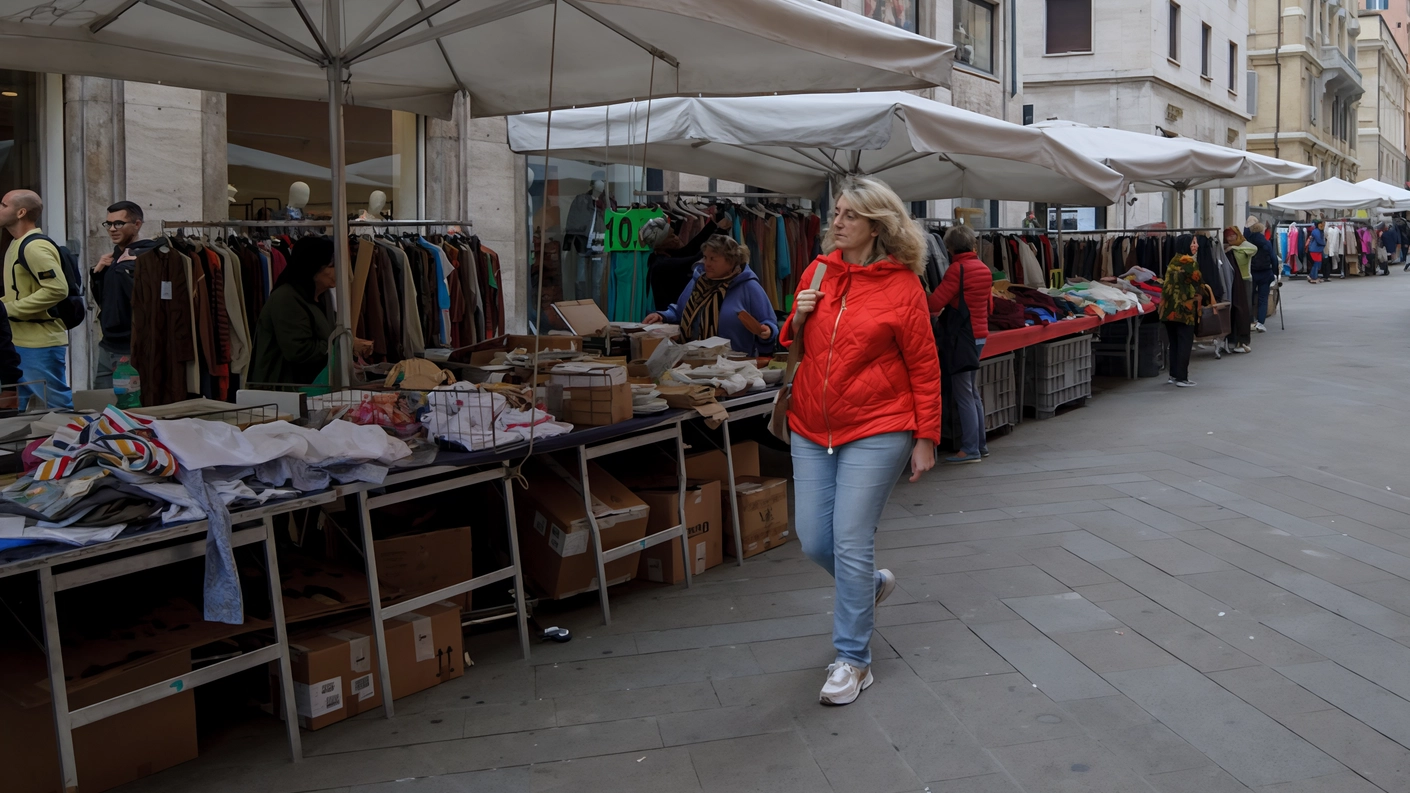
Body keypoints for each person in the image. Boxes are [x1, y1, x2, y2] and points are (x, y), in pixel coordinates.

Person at [782, 176, 940, 706]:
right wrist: (797, 316)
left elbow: (924, 364)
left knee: (850, 539)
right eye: (837, 212)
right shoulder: (818, 271)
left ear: (877, 225)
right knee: (814, 540)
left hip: (880, 424)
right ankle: (868, 585)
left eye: (849, 215)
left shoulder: (903, 286)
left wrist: (926, 436)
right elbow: (795, 342)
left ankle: (852, 660)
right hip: (810, 423)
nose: (837, 221)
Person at [249, 236, 373, 386]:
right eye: (332, 266)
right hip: (285, 389)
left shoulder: (322, 295)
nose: (338, 271)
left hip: (312, 385)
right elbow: (299, 350)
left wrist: (349, 342)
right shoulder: (287, 298)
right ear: (313, 267)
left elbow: (327, 334)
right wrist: (345, 345)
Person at [642, 235, 776, 356]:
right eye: (705, 257)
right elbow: (680, 311)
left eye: (713, 259)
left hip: (734, 365)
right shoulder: (698, 281)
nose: (707, 263)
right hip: (693, 361)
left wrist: (767, 331)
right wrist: (662, 315)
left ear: (730, 261)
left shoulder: (748, 286)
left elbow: (769, 322)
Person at [0, 189, 73, 410]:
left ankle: (70, 443)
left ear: (21, 212)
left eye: (3, 205)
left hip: (39, 343)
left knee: (57, 408)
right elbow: (19, 291)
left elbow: (57, 289)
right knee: (24, 411)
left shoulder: (34, 246)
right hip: (22, 341)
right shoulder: (17, 243)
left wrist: (7, 309)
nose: (0, 209)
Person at [927, 224, 992, 464]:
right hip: (980, 334)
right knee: (972, 392)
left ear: (950, 247)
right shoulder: (983, 268)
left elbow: (935, 303)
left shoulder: (958, 270)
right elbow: (988, 305)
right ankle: (980, 445)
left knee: (963, 393)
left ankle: (970, 449)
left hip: (962, 336)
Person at [92, 200, 160, 388]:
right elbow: (106, 300)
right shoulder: (114, 257)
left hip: (130, 347)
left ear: (137, 225)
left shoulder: (148, 256)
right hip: (108, 344)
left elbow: (149, 302)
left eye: (119, 223)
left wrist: (133, 269)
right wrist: (98, 274)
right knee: (102, 406)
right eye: (109, 224)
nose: (112, 229)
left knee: (127, 405)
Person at [642, 212, 734, 312]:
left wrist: (712, 226)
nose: (676, 238)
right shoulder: (660, 264)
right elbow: (693, 259)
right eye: (671, 237)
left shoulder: (665, 255)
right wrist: (720, 232)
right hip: (669, 316)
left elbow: (689, 250)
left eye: (674, 234)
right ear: (660, 244)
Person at [1161, 234, 1203, 388]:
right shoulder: (1189, 262)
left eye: (1196, 242)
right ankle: (1182, 378)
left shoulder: (1173, 260)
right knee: (1185, 342)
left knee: (1174, 343)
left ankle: (1173, 375)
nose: (1196, 245)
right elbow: (1199, 281)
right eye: (1193, 242)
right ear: (1186, 244)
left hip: (1168, 310)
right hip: (1184, 310)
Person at [1223, 227, 1255, 354]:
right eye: (1228, 236)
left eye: (1232, 235)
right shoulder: (1225, 248)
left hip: (1245, 279)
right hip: (1233, 281)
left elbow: (1254, 249)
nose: (1230, 238)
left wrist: (1234, 248)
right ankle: (1234, 340)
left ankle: (1242, 341)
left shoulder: (1243, 244)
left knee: (1244, 310)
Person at [1244, 221, 1278, 332]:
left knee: (1249, 297)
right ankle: (1260, 323)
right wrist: (1275, 272)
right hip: (1265, 272)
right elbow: (1273, 258)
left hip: (1252, 272)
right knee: (1263, 298)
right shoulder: (1266, 242)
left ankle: (1249, 320)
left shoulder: (1248, 242)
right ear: (1262, 230)